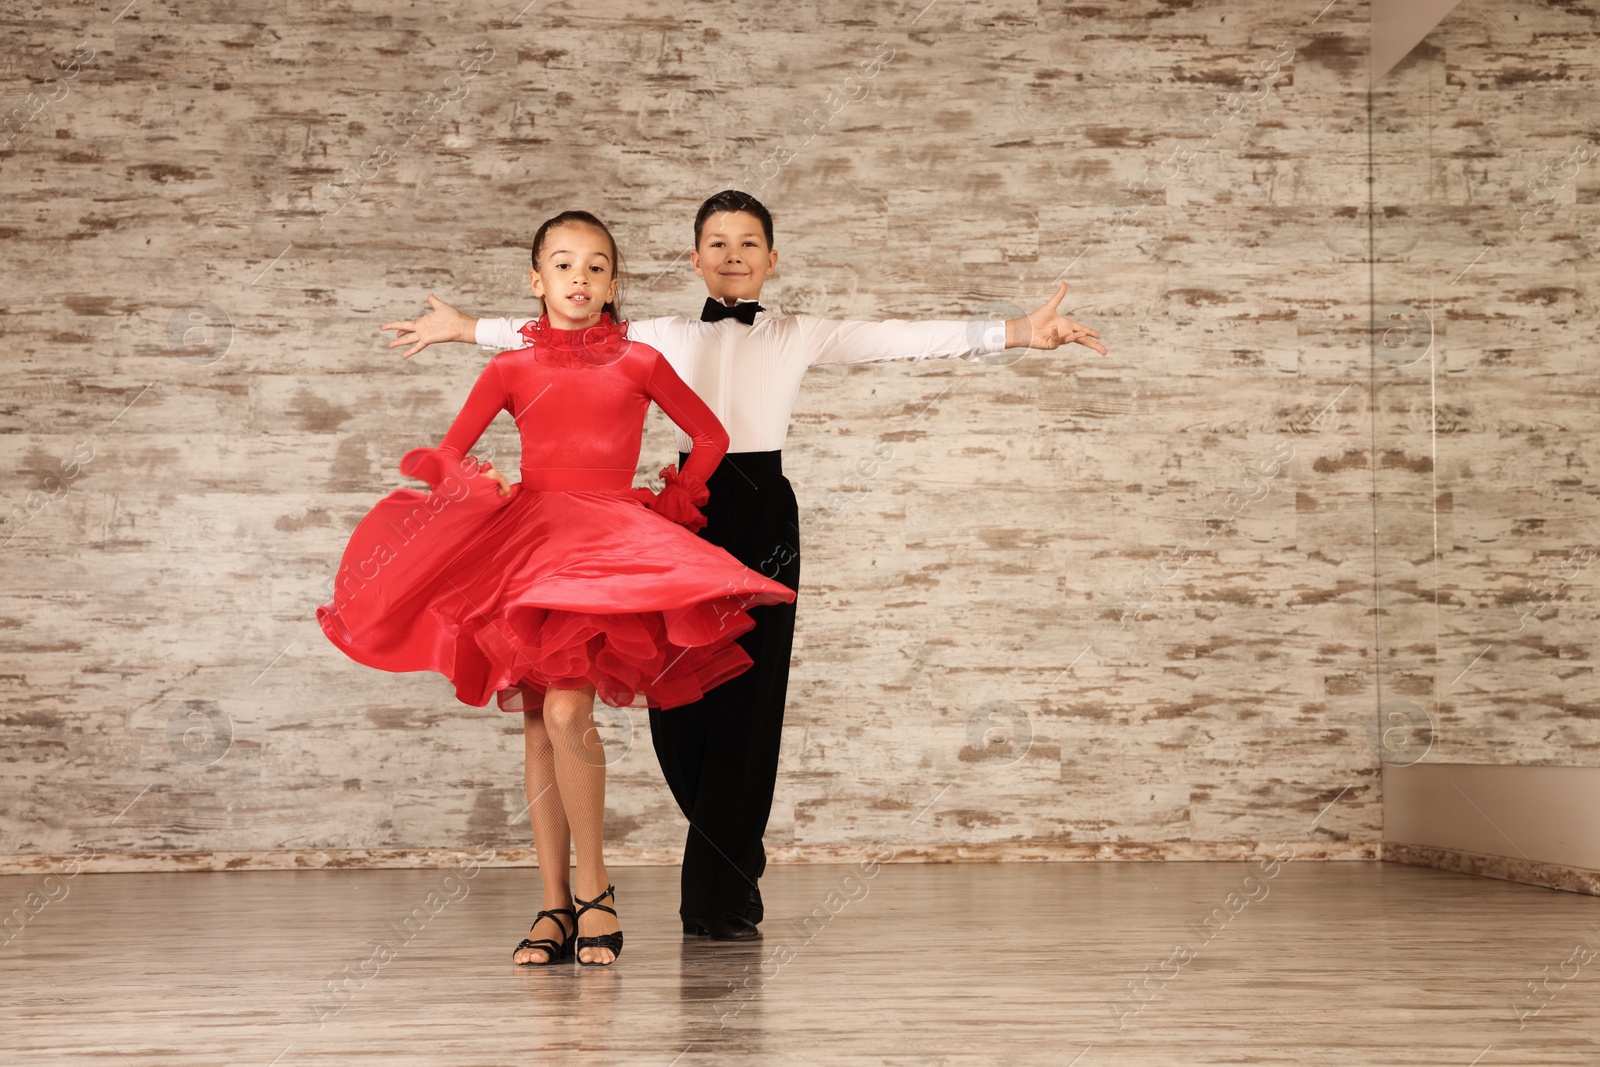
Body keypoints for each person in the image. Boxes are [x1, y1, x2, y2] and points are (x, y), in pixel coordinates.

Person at [382, 191, 1106, 941]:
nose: (733, 255)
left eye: (749, 242)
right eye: (717, 243)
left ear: (772, 258)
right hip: (673, 509)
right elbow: (555, 328)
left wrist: (1019, 330)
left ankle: (719, 896)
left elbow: (901, 338)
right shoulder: (652, 336)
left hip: (761, 507)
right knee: (672, 698)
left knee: (752, 699)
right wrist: (466, 327)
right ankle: (707, 859)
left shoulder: (799, 332)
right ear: (694, 259)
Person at [319, 210, 794, 967]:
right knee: (539, 721)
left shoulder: (639, 361)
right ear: (536, 281)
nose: (581, 278)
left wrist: (680, 497)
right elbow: (448, 452)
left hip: (605, 539)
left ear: (613, 285)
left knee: (569, 706)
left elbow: (710, 435)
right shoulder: (511, 368)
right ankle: (553, 907)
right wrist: (480, 478)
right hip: (530, 543)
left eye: (598, 266)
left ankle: (596, 892)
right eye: (565, 265)